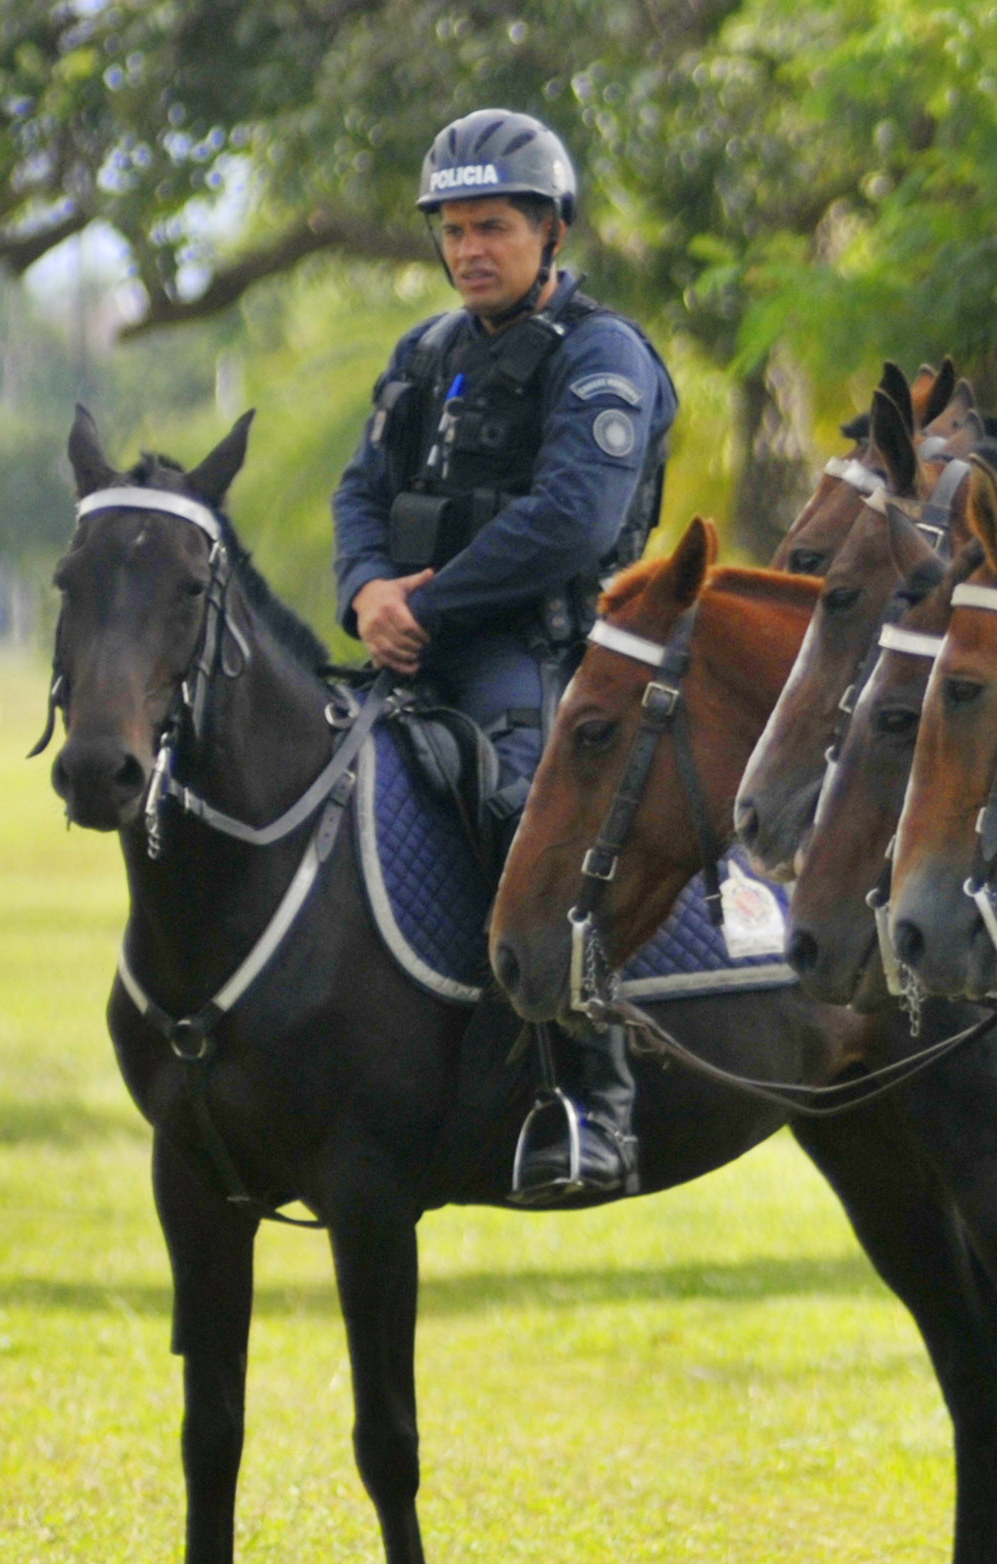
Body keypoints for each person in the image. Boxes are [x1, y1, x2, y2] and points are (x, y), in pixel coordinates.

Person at [332, 108, 678, 1205]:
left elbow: (575, 518)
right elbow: (361, 492)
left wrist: (428, 602)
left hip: (546, 657)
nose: (469, 249)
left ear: (550, 234)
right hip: (415, 645)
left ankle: (595, 1104)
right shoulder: (424, 355)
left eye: (492, 227)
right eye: (453, 229)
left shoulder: (602, 355)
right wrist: (364, 591)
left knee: (534, 823)